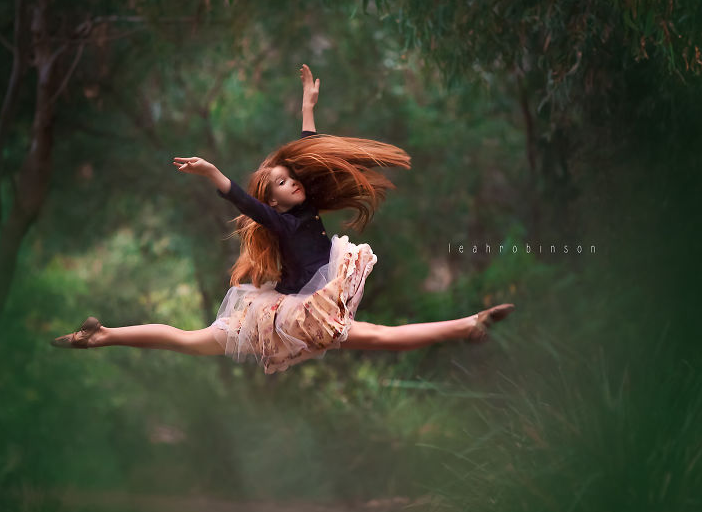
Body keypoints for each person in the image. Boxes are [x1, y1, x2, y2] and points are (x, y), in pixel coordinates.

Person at [52, 64, 515, 374]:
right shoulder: (279, 221)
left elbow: (309, 150)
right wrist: (211, 170)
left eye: (290, 177)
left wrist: (308, 106)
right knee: (191, 341)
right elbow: (241, 200)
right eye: (279, 182)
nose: (291, 182)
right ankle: (103, 336)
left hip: (288, 310)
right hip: (288, 315)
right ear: (272, 201)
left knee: (378, 337)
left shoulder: (306, 206)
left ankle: (470, 325)